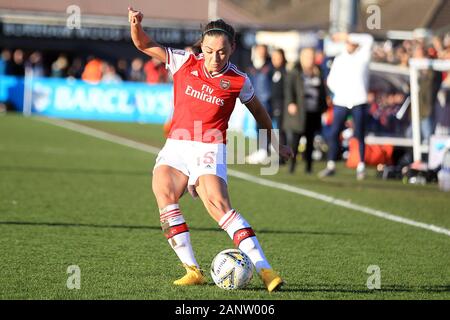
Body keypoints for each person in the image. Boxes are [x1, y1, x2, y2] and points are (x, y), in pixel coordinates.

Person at [128, 7, 292, 292]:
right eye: (208, 50)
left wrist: (277, 143)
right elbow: (143, 43)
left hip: (209, 148)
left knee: (218, 206)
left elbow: (260, 113)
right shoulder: (182, 61)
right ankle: (192, 269)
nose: (215, 58)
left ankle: (265, 270)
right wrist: (135, 24)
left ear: (232, 49)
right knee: (164, 194)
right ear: (201, 46)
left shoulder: (239, 80)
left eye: (222, 52)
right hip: (177, 145)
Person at [319, 32, 374, 180]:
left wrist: (346, 36)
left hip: (358, 100)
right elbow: (331, 81)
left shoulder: (363, 57)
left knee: (359, 134)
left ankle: (361, 165)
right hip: (342, 101)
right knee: (334, 132)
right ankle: (331, 164)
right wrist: (340, 92)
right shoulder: (340, 59)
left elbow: (368, 39)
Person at [284, 47, 328, 174]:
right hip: (299, 113)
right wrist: (291, 103)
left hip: (313, 112)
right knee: (295, 141)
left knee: (310, 141)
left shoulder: (318, 72)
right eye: (308, 57)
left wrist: (323, 106)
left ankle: (309, 167)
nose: (311, 60)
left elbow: (322, 91)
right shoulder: (295, 72)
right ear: (302, 58)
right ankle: (291, 166)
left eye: (312, 57)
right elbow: (289, 89)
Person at [245, 44, 273, 164]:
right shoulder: (251, 66)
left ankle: (265, 149)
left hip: (267, 100)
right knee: (258, 126)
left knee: (267, 125)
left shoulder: (269, 66)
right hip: (255, 100)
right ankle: (262, 149)